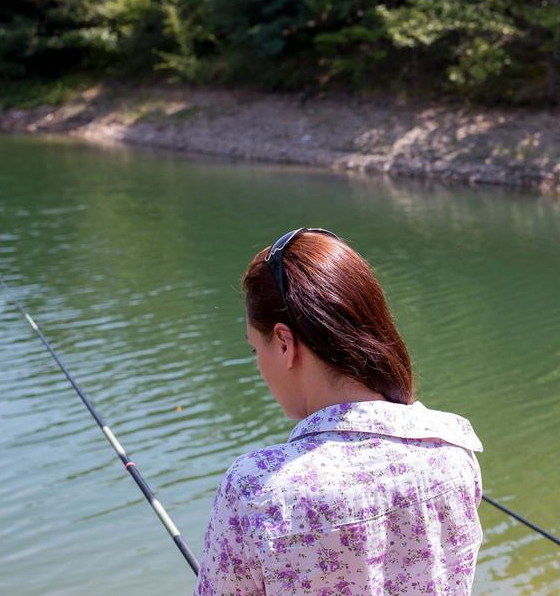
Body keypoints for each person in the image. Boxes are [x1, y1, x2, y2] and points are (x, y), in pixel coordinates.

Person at [194, 228, 484, 595]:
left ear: (284, 343)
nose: (259, 366)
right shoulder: (453, 453)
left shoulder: (255, 490)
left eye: (256, 350)